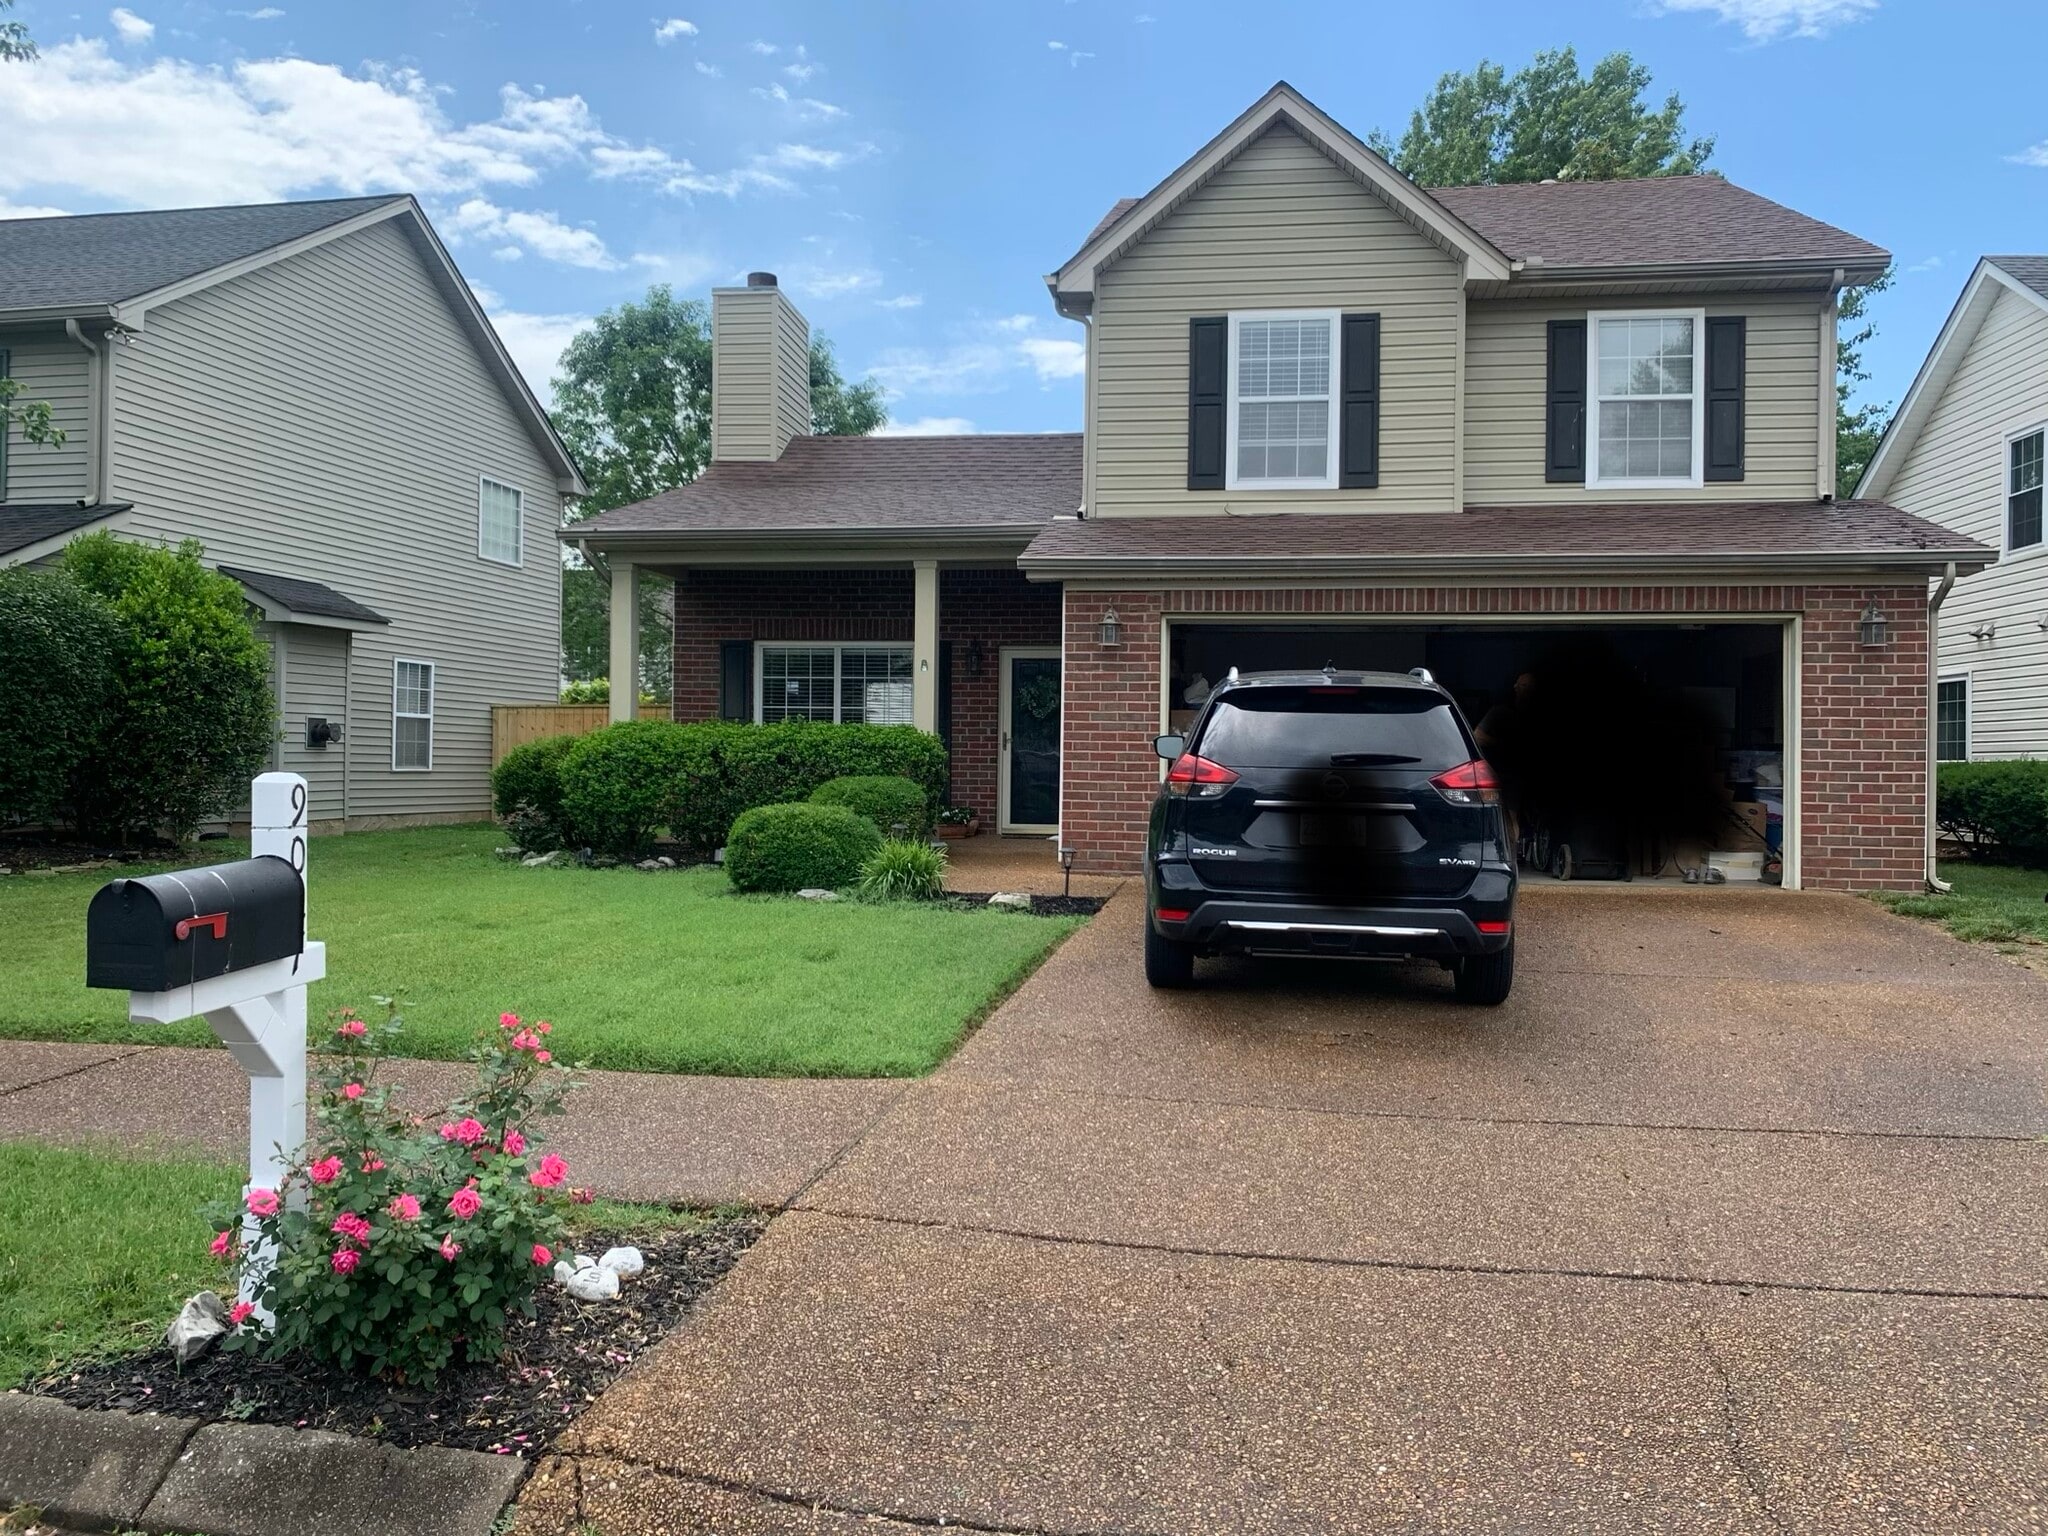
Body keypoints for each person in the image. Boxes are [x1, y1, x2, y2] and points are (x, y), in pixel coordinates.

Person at [1474, 672, 1535, 863]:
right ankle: (1507, 859)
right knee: (1507, 815)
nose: (1524, 690)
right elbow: (1477, 736)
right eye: (1522, 686)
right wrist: (1502, 743)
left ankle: (1512, 857)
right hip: (1499, 773)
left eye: (1528, 687)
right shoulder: (1501, 712)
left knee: (1515, 815)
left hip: (1524, 774)